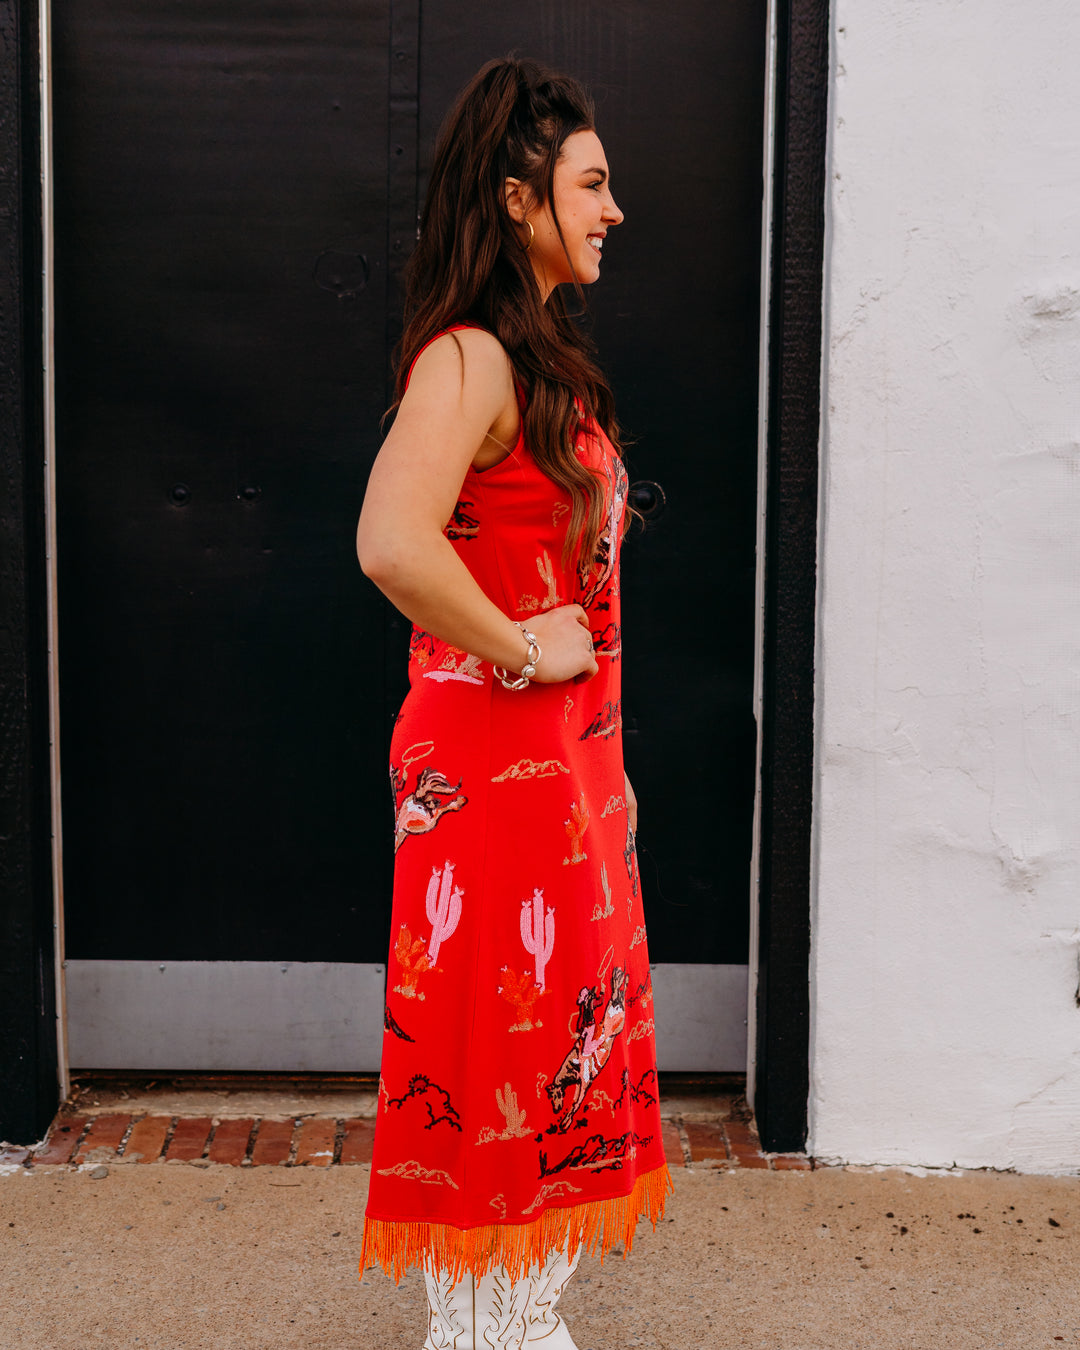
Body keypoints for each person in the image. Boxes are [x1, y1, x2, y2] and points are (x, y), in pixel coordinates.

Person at [355, 56, 671, 1348]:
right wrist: (517, 652)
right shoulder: (472, 358)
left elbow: (578, 586)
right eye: (590, 184)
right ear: (518, 195)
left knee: (553, 1049)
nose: (612, 209)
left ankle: (517, 1322)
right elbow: (391, 539)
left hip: (566, 775)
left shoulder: (541, 361)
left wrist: (608, 754)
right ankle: (477, 1331)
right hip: (489, 769)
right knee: (493, 1044)